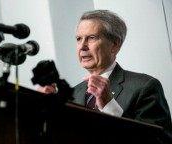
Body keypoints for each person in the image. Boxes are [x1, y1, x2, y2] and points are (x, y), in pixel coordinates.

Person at [36, 10, 171, 130]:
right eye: (78, 39)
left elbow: (160, 143)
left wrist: (109, 106)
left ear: (115, 45)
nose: (82, 46)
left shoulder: (144, 87)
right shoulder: (73, 94)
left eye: (91, 38)